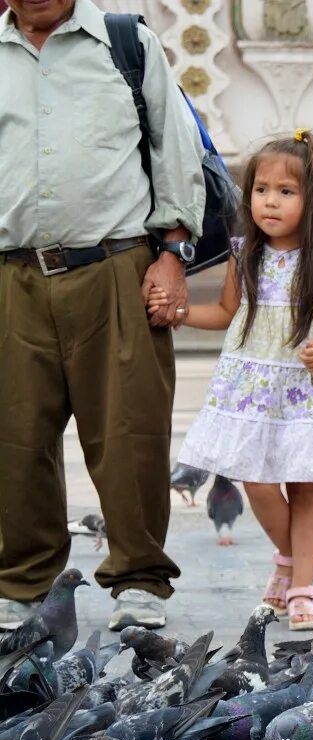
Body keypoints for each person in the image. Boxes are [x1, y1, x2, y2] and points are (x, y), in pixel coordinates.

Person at [0, 0, 205, 631]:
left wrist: (171, 253)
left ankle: (139, 578)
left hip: (116, 265)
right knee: (14, 436)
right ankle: (22, 582)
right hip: (12, 273)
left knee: (130, 431)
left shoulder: (126, 44)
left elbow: (175, 147)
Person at [154, 130, 313, 631]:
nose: (270, 201)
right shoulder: (244, 254)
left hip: (310, 390)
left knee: (306, 488)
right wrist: (181, 314)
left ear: (312, 199)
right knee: (256, 481)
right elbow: (229, 312)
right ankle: (289, 562)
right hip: (252, 389)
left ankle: (301, 591)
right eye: (261, 190)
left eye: (286, 192)